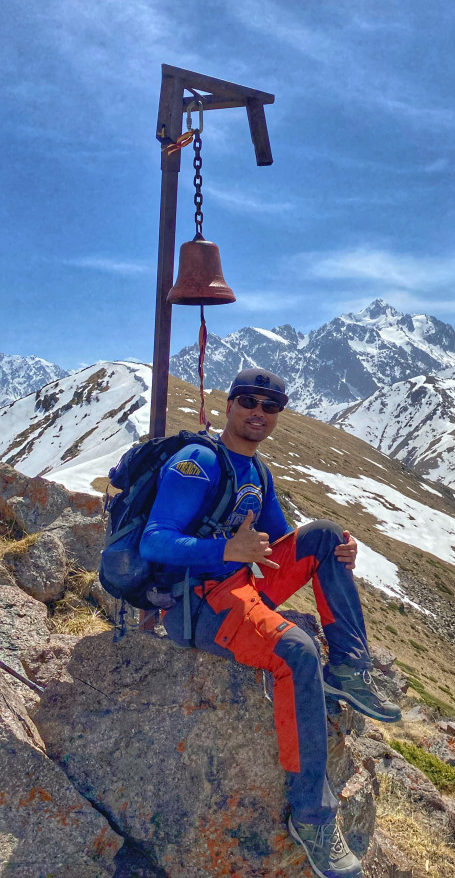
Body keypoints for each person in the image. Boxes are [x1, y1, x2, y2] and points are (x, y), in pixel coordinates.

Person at [140, 367, 401, 878]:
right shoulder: (198, 462)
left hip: (240, 582)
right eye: (249, 402)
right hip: (199, 603)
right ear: (229, 405)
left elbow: (284, 546)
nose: (259, 413)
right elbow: (155, 540)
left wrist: (338, 552)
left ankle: (349, 669)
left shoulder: (257, 473)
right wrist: (224, 550)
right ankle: (312, 817)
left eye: (271, 406)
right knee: (297, 652)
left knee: (326, 535)